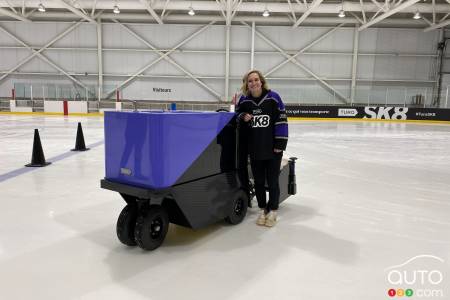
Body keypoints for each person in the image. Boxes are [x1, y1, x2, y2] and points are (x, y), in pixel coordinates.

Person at [235, 70, 288, 227]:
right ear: (247, 84)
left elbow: (282, 121)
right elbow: (237, 114)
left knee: (272, 181)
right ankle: (263, 209)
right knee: (258, 182)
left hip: (272, 149)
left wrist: (280, 144)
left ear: (261, 81)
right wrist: (242, 116)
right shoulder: (244, 100)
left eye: (256, 80)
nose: (253, 83)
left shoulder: (273, 97)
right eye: (250, 81)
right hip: (255, 148)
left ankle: (273, 211)